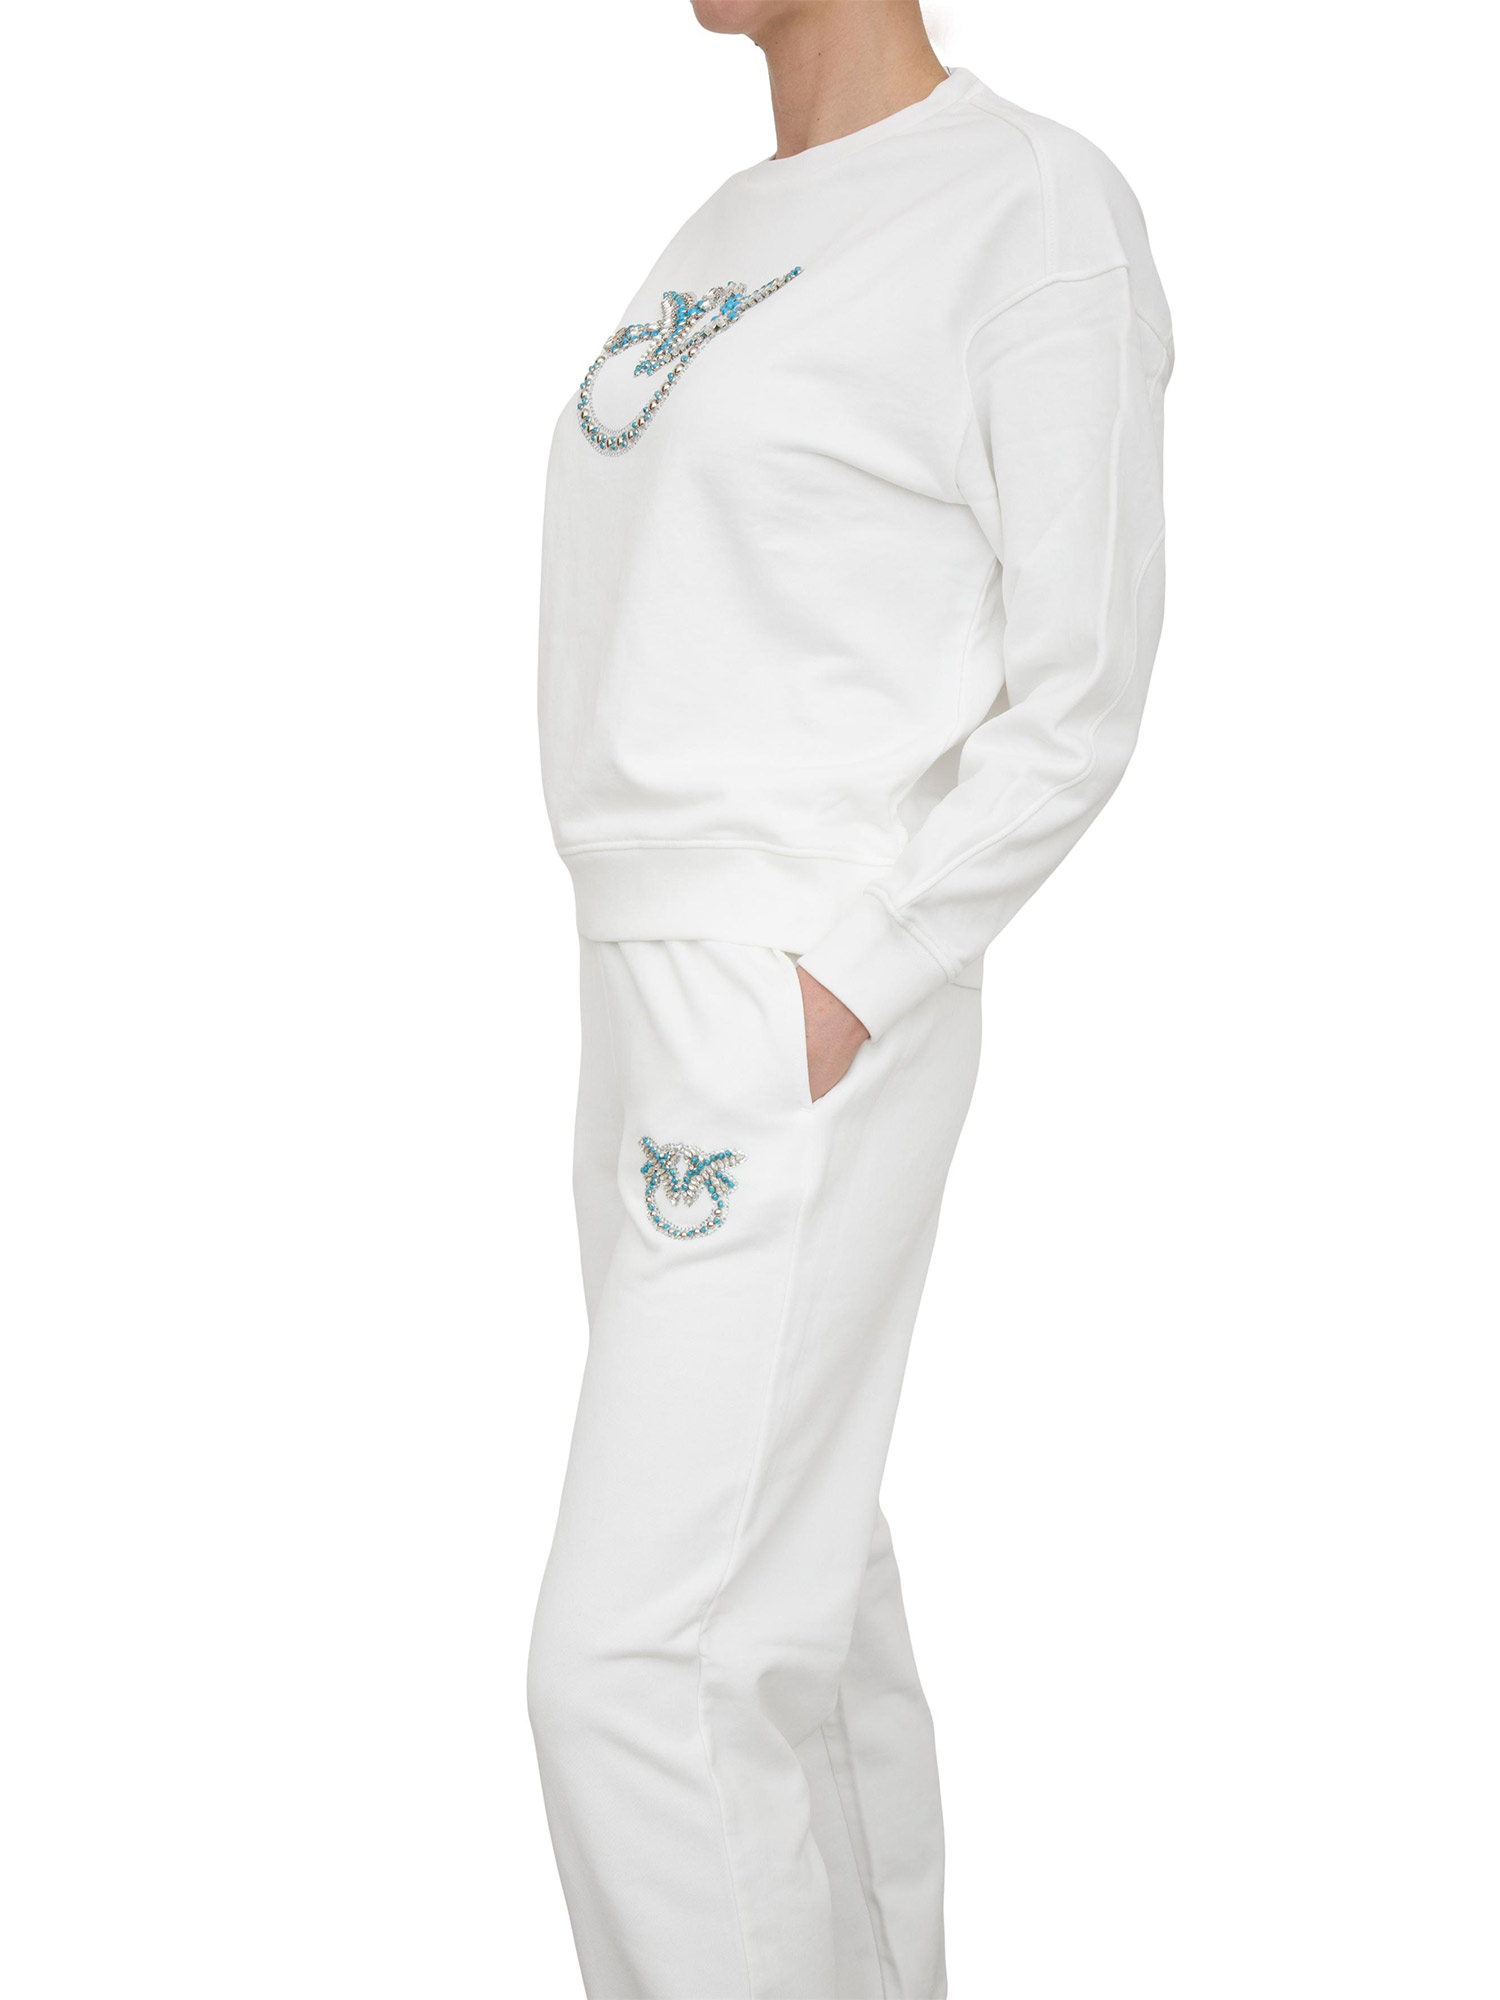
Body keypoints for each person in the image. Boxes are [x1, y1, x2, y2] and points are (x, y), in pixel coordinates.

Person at [528, 1, 1172, 1992]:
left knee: (637, 1668)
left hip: (789, 987)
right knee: (795, 1613)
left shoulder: (1024, 206)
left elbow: (1081, 683)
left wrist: (857, 974)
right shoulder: (732, 223)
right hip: (648, 981)